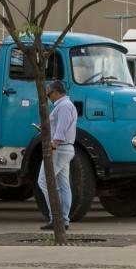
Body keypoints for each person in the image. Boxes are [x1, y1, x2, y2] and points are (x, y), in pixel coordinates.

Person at [38, 80, 78, 231]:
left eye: (49, 94)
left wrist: (54, 143)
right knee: (63, 185)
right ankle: (64, 220)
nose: (48, 97)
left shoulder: (63, 106)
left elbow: (61, 127)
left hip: (59, 148)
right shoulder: (66, 106)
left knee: (44, 181)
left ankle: (56, 218)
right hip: (65, 148)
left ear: (55, 92)